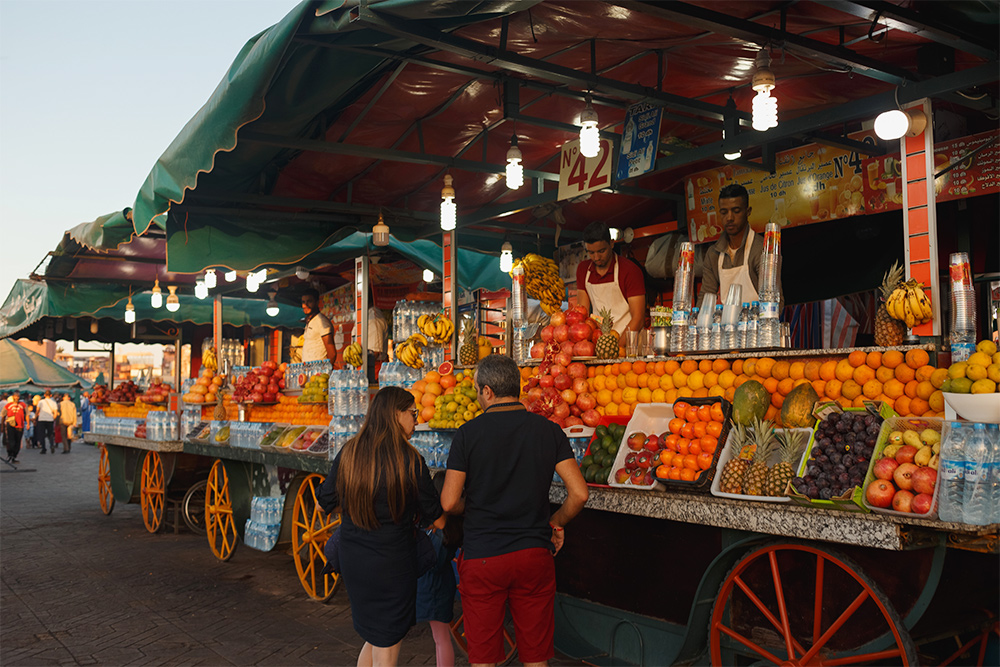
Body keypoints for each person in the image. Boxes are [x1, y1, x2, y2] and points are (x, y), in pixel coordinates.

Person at [441, 354, 589, 667]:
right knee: (536, 657)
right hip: (533, 555)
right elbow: (579, 493)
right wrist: (555, 522)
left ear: (487, 392)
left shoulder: (467, 434)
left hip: (483, 556)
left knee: (483, 658)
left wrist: (474, 505)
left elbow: (449, 502)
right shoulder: (549, 431)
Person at [318, 386, 444, 667]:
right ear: (395, 414)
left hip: (354, 559)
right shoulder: (410, 460)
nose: (417, 419)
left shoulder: (350, 451)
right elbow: (436, 517)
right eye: (413, 413)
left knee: (375, 636)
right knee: (388, 641)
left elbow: (325, 502)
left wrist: (356, 505)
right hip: (393, 565)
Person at [699, 183, 783, 307]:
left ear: (748, 211)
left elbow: (775, 302)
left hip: (758, 323)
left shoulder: (762, 249)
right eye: (724, 212)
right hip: (727, 324)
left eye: (736, 211)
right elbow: (706, 298)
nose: (729, 218)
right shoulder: (713, 254)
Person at [575, 222, 646, 346]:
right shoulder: (583, 270)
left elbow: (638, 319)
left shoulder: (630, 270)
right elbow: (583, 314)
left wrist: (617, 349)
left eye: (601, 251)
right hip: (599, 343)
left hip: (629, 345)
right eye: (591, 253)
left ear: (612, 243)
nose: (596, 257)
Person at [416, 472, 461, 667]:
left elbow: (431, 561)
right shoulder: (452, 525)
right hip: (440, 587)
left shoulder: (439, 531)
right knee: (441, 637)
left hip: (430, 588)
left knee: (440, 637)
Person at [300, 288, 337, 364]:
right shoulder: (310, 321)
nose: (305, 305)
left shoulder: (322, 322)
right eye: (303, 302)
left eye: (309, 301)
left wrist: (325, 371)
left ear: (317, 302)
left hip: (318, 373)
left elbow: (332, 353)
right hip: (308, 371)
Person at [2, 392, 28, 464]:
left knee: (18, 441)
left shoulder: (23, 405)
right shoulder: (8, 405)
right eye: (15, 396)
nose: (17, 398)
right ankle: (10, 454)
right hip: (10, 425)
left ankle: (14, 456)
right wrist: (2, 425)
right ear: (13, 397)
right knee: (11, 441)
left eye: (18, 396)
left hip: (20, 425)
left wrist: (28, 423)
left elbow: (27, 414)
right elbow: (3, 415)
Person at [35, 389, 59, 455]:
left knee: (42, 434)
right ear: (51, 395)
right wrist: (53, 418)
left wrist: (35, 418)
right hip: (50, 420)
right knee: (50, 434)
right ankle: (51, 444)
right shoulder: (54, 402)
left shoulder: (40, 402)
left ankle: (43, 448)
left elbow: (37, 411)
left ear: (44, 395)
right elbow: (56, 413)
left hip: (41, 419)